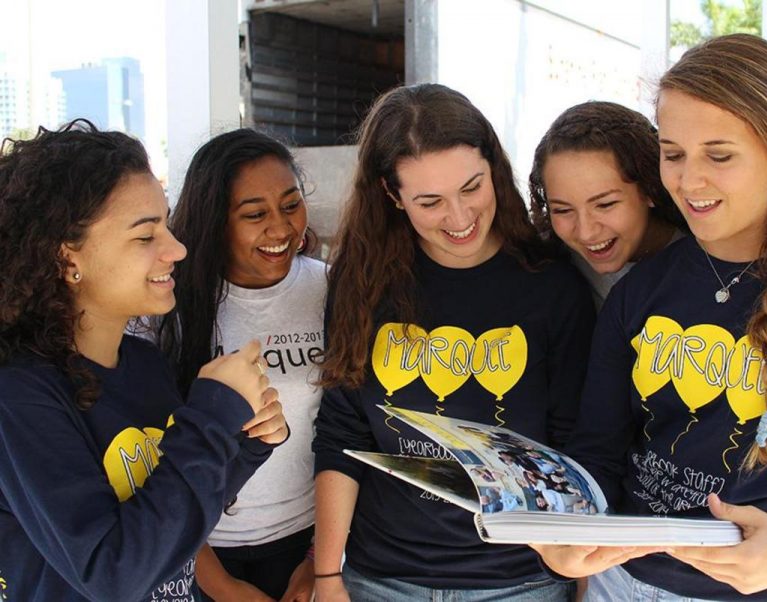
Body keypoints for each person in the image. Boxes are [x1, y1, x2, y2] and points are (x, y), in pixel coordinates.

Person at [533, 34, 767, 602]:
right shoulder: (641, 290)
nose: (688, 180)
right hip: (623, 585)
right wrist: (568, 528)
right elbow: (598, 453)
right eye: (674, 154)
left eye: (719, 155)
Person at [311, 83, 596, 601]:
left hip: (520, 581)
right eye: (430, 201)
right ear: (392, 195)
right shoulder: (362, 283)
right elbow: (341, 431)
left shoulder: (554, 287)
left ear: (494, 168)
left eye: (472, 187)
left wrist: (580, 582)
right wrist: (326, 574)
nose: (460, 218)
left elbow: (574, 450)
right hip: (382, 580)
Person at [0, 120, 288, 601]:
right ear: (66, 256)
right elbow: (112, 573)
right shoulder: (19, 396)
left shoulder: (144, 362)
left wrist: (244, 441)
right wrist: (211, 417)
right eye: (144, 236)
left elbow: (172, 515)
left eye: (167, 224)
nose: (176, 249)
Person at [158, 129, 327, 601]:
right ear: (214, 221)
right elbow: (146, 455)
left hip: (307, 544)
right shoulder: (166, 308)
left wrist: (319, 562)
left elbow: (351, 433)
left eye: (291, 206)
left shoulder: (332, 290)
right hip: (193, 549)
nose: (281, 229)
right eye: (255, 214)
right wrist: (221, 586)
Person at [529, 101, 686, 309]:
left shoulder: (708, 263)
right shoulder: (545, 262)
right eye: (563, 210)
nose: (586, 233)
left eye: (605, 205)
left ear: (650, 188)